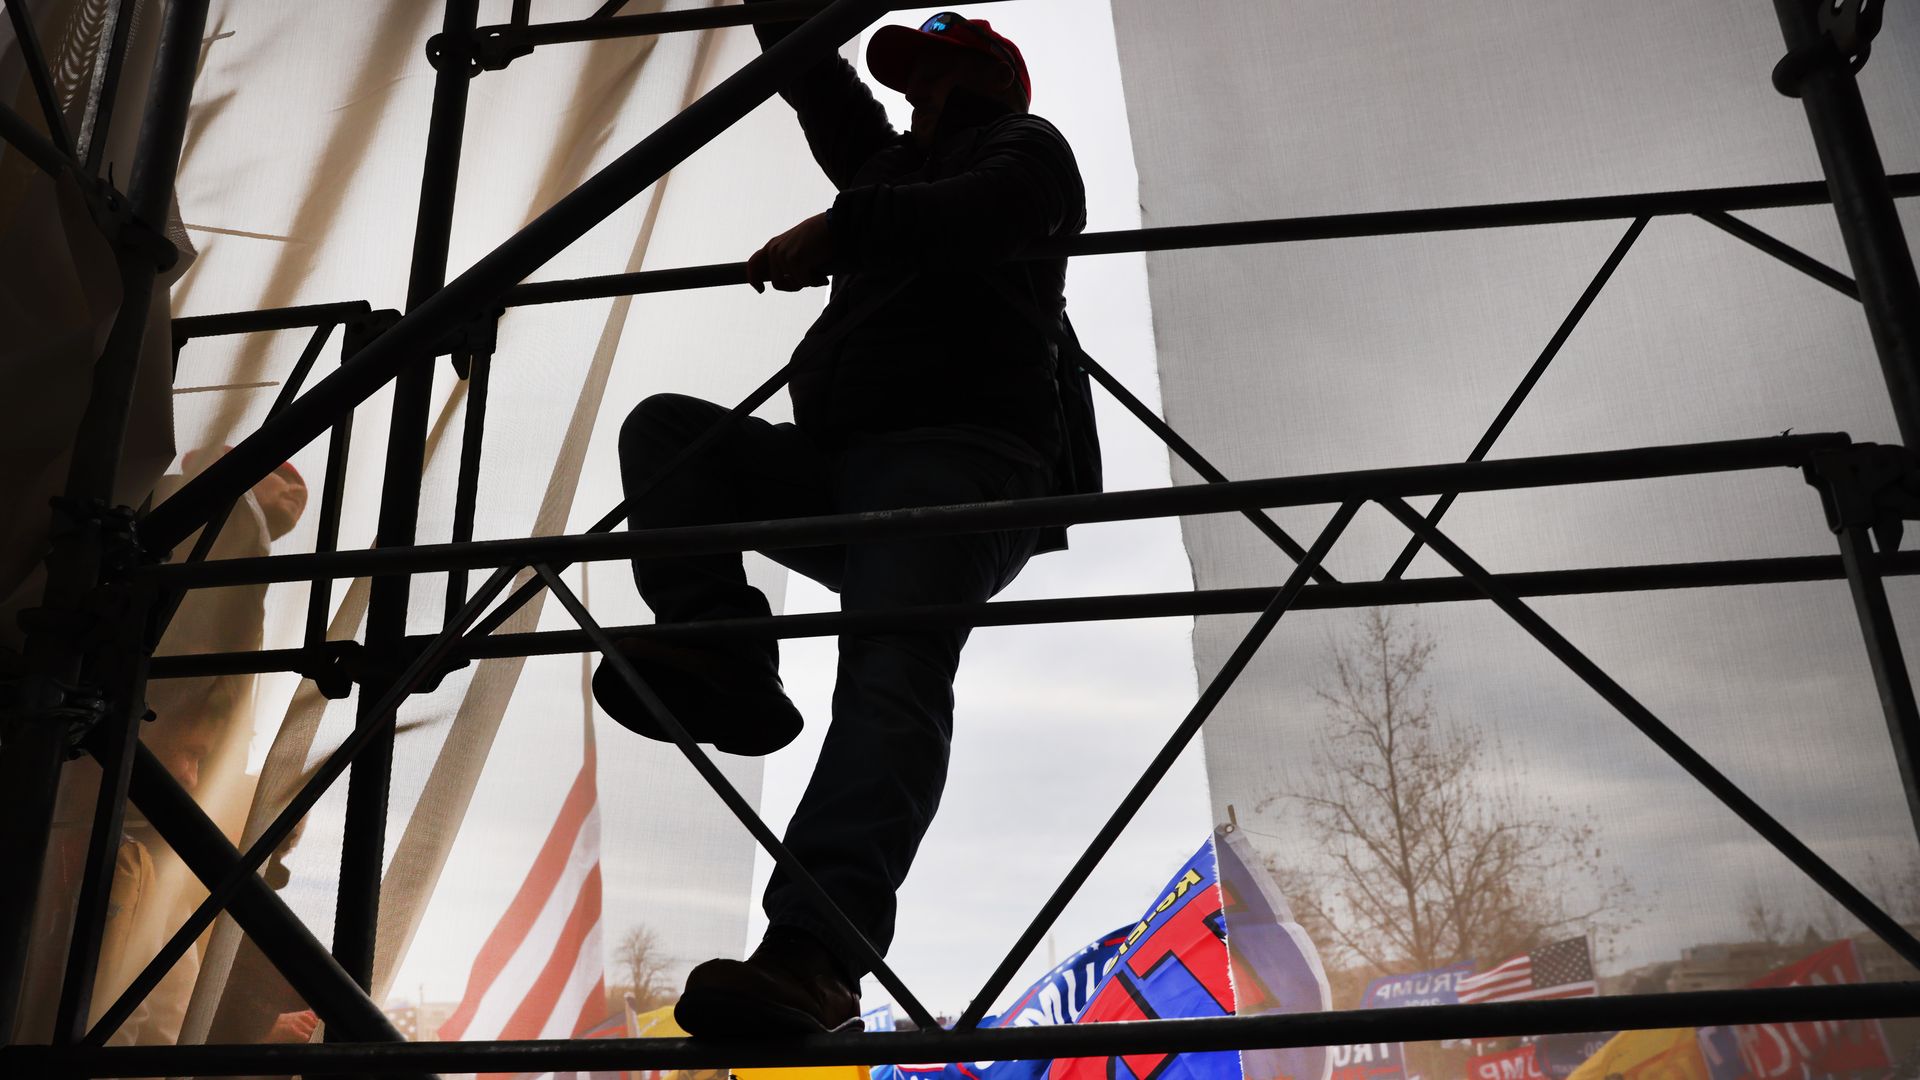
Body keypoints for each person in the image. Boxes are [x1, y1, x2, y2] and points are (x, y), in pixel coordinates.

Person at [592, 8, 1088, 1037]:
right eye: (914, 79)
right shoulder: (891, 173)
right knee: (673, 438)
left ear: (985, 83)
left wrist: (840, 231)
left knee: (892, 673)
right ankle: (723, 650)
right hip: (850, 468)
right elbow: (826, 96)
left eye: (936, 75)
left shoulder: (1026, 150)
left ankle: (817, 955)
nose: (917, 94)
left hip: (962, 461)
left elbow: (983, 215)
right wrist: (785, 15)